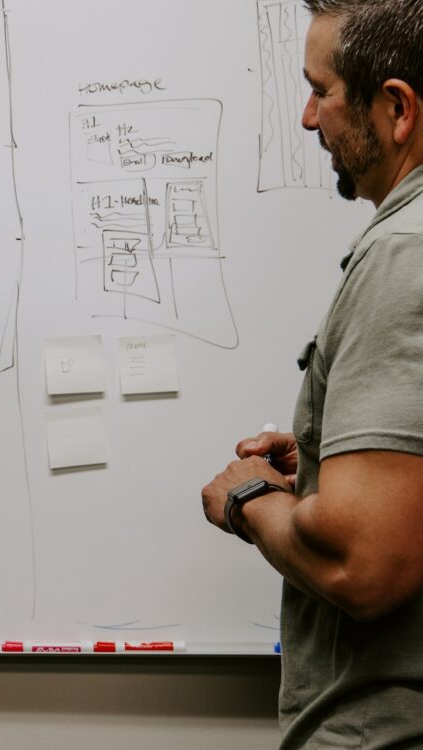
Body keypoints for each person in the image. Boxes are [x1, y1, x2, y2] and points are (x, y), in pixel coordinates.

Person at [201, 0, 423, 746]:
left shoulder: (404, 254)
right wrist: (332, 470)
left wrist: (249, 499)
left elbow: (366, 564)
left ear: (396, 108)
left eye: (321, 90)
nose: (306, 119)